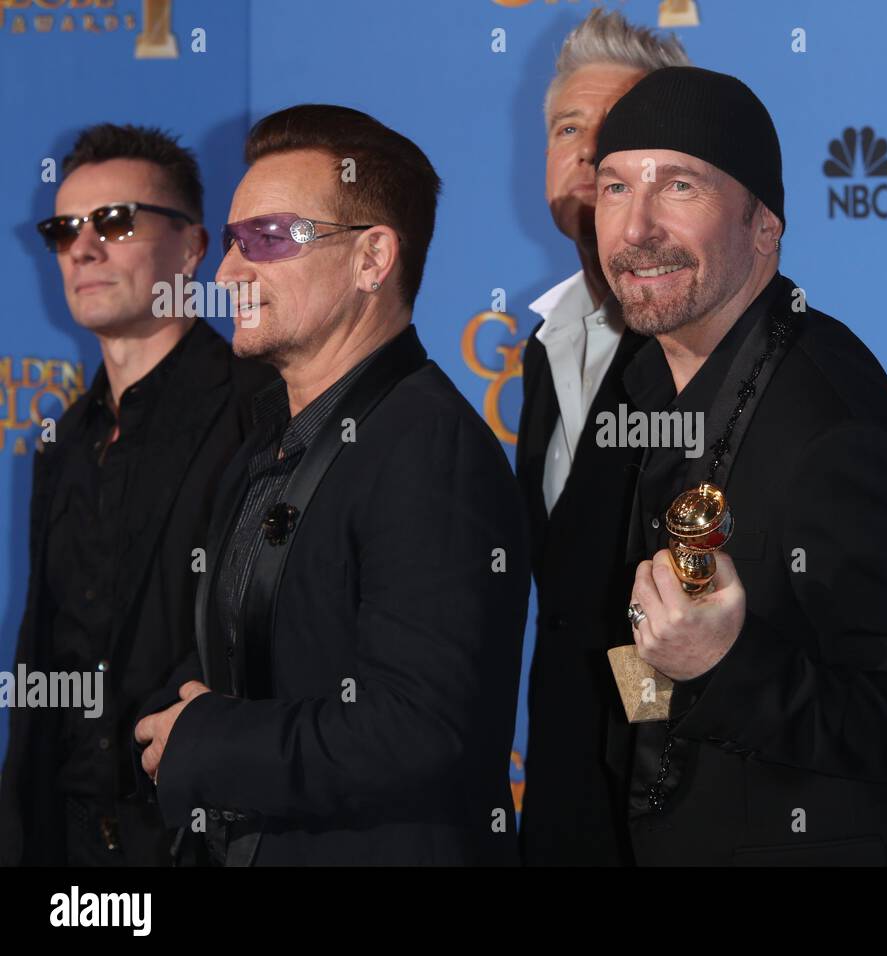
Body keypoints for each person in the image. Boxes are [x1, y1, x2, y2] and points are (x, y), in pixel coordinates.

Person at [593, 67, 887, 865]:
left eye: (678, 185)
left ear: (763, 228)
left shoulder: (832, 424)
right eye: (613, 187)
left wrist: (725, 663)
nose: (635, 227)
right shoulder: (651, 384)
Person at [132, 105, 529, 866]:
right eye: (230, 241)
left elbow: (416, 732)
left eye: (269, 239)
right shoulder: (269, 441)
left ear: (372, 259)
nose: (227, 273)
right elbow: (257, 654)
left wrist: (205, 737)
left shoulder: (428, 448)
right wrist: (174, 717)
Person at [0, 124, 275, 866]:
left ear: (190, 248)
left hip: (199, 835)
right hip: (69, 839)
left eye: (114, 222)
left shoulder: (259, 409)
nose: (82, 248)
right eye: (63, 230)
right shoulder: (63, 442)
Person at [516, 9, 687, 865]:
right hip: (558, 791)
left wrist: (640, 768)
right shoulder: (545, 347)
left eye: (612, 130)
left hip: (665, 806)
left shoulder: (703, 348)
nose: (584, 153)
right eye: (566, 128)